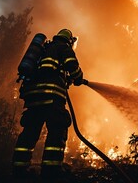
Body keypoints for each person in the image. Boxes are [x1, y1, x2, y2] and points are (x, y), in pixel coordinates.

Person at [12, 29, 87, 178]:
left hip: (33, 98)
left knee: (29, 133)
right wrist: (78, 78)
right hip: (52, 96)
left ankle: (19, 169)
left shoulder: (44, 49)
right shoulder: (63, 47)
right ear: (69, 40)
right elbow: (72, 65)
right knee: (57, 131)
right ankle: (51, 171)